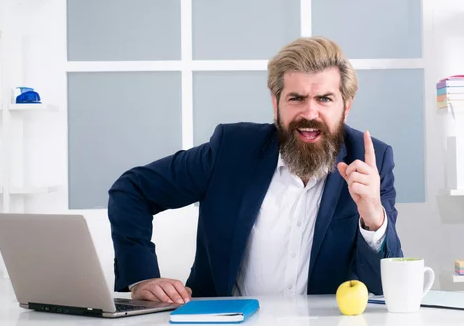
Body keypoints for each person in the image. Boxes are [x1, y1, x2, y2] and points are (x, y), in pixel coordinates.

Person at [107, 36, 404, 305]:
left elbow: (380, 287)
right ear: (276, 104)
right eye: (296, 98)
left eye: (325, 99)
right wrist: (141, 276)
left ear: (346, 106)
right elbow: (132, 189)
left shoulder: (372, 161)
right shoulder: (231, 149)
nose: (310, 113)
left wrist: (373, 218)